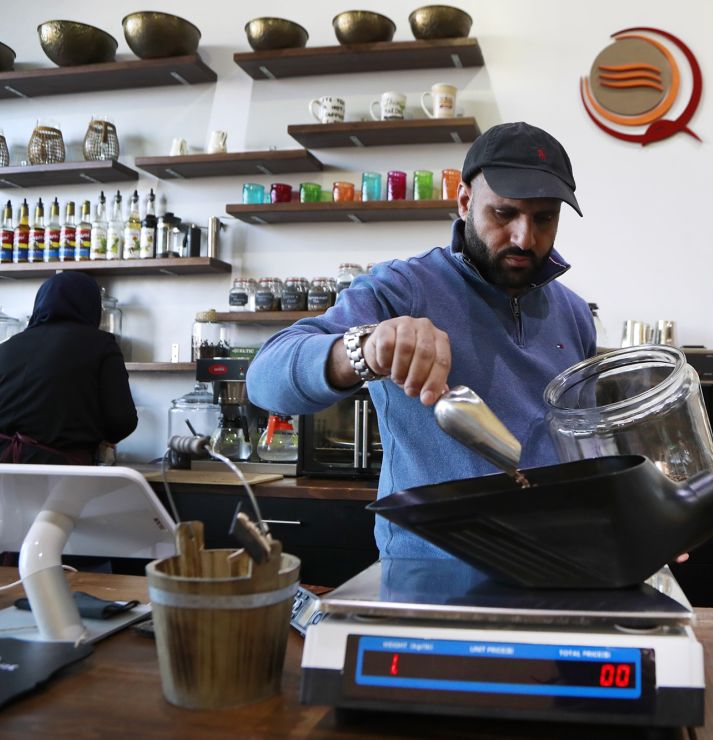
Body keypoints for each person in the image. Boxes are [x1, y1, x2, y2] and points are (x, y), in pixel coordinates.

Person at [247, 122, 596, 558]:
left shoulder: (576, 315)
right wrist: (365, 348)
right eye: (504, 213)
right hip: (433, 570)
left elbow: (582, 446)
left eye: (544, 218)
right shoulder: (404, 288)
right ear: (466, 201)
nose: (525, 237)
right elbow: (264, 378)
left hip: (556, 562)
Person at [0, 271, 138, 465]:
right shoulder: (101, 344)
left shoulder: (6, 347)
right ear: (92, 307)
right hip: (54, 472)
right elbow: (122, 421)